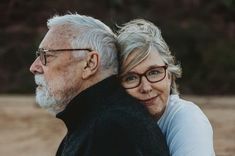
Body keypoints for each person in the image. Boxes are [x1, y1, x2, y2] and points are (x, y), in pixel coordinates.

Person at [29, 13, 170, 156]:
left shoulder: (111, 132)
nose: (34, 67)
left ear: (89, 63)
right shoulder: (94, 123)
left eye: (46, 55)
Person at [117, 19, 215, 156]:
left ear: (169, 75)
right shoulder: (114, 122)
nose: (146, 87)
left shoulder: (187, 118)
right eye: (131, 78)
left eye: (154, 72)